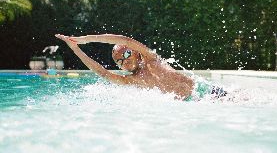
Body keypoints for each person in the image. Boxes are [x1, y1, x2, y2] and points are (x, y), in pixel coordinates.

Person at [55, 34, 226, 101]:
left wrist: (85, 40)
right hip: (191, 104)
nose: (125, 60)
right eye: (119, 61)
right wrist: (76, 49)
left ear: (136, 53)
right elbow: (102, 72)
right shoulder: (130, 80)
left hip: (204, 93)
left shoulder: (152, 60)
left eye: (127, 54)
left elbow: (124, 41)